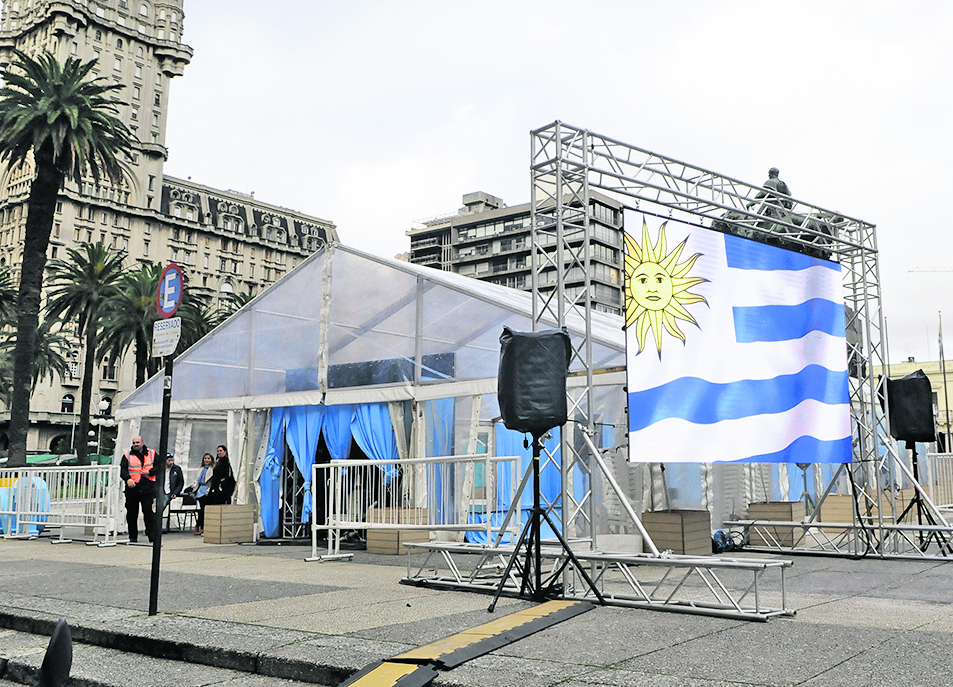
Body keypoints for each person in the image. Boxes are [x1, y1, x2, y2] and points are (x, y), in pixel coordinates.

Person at [119, 435, 157, 543]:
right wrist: (127, 479)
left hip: (147, 488)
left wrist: (150, 472)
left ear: (142, 443)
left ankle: (152, 536)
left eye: (138, 442)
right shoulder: (127, 455)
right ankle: (133, 537)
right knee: (131, 514)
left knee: (148, 513)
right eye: (134, 443)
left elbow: (159, 466)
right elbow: (123, 470)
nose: (136, 444)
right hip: (132, 489)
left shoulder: (152, 453)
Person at [191, 452, 214, 535]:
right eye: (205, 458)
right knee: (202, 509)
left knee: (204, 510)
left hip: (207, 490)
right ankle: (200, 526)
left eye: (208, 458)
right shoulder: (201, 468)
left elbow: (211, 481)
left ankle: (202, 526)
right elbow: (198, 480)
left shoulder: (212, 469)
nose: (206, 460)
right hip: (200, 490)